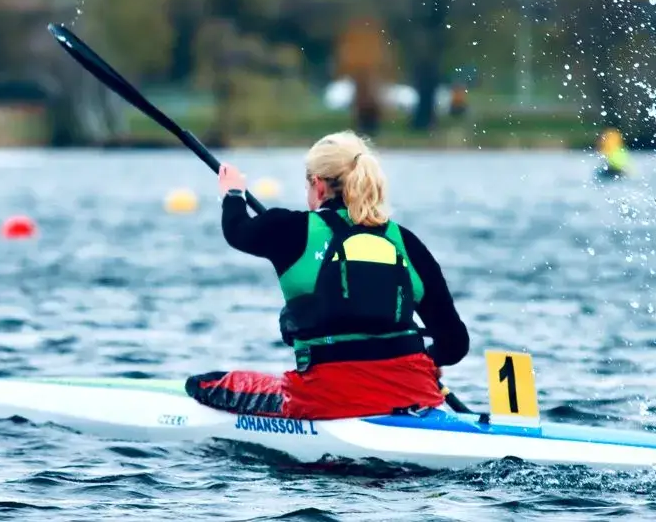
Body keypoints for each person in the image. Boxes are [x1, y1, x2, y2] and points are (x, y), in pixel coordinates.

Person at [185, 131, 470, 420]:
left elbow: (237, 230)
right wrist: (429, 361)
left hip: (325, 400)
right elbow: (456, 343)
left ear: (318, 186)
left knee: (204, 385)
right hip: (416, 396)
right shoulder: (406, 243)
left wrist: (233, 193)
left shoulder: (290, 229)